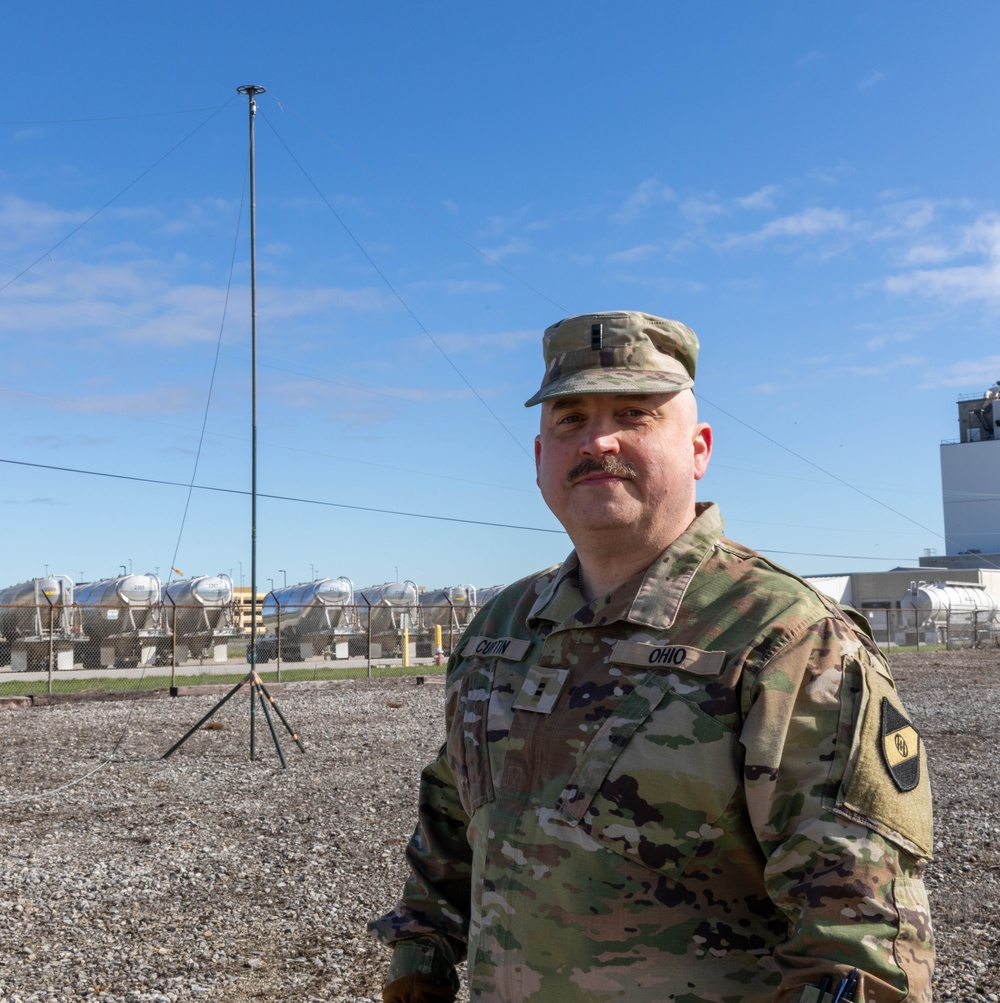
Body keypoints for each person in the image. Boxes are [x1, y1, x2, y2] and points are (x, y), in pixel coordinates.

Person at [370, 311, 934, 1003]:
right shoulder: (501, 626)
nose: (598, 439)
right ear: (540, 456)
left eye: (634, 414)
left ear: (698, 449)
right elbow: (453, 813)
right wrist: (416, 964)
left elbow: (858, 939)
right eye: (569, 419)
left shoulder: (787, 639)